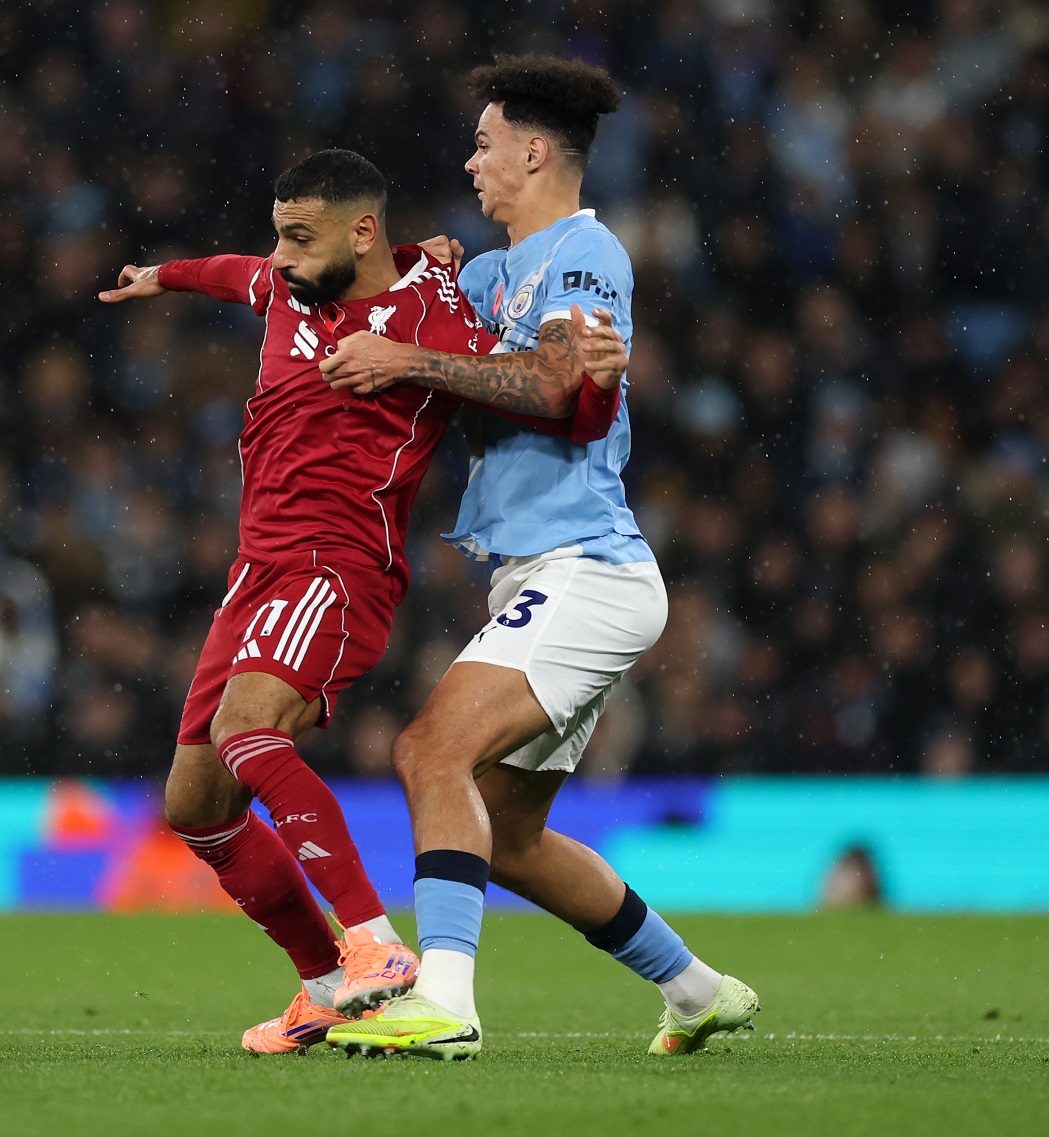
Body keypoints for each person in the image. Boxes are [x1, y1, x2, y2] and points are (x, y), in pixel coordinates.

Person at [99, 148, 628, 1053]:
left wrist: (596, 390)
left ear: (362, 232)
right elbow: (237, 275)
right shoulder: (284, 285)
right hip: (255, 571)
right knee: (195, 804)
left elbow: (543, 401)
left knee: (248, 730)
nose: (284, 258)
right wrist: (165, 277)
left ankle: (375, 944)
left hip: (334, 563)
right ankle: (323, 983)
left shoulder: (436, 314)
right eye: (279, 237)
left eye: (301, 239)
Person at [321, 56, 760, 1060]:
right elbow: (400, 334)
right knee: (508, 838)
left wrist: (412, 356)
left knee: (428, 750)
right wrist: (410, 280)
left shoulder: (585, 252)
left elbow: (557, 386)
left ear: (532, 149)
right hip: (537, 573)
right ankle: (696, 991)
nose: (470, 162)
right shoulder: (484, 273)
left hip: (588, 569)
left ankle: (444, 1002)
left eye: (483, 143)